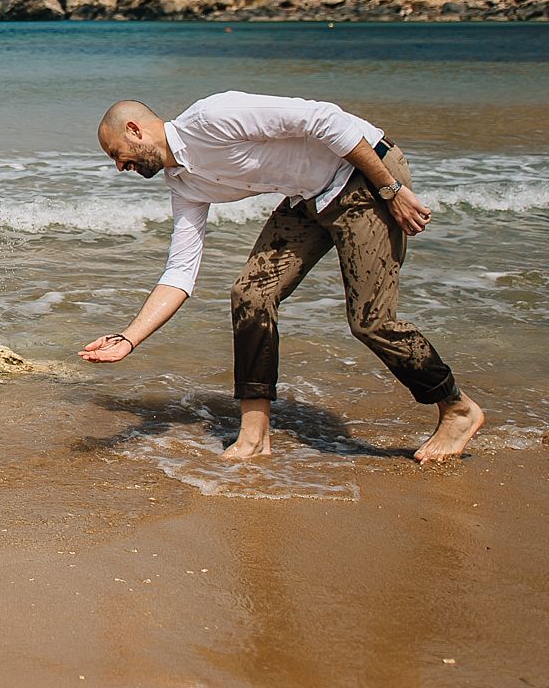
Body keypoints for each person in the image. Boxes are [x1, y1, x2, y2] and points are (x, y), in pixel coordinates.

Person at [84, 92, 484, 464]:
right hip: (307, 196)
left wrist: (390, 188)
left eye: (118, 155)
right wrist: (129, 337)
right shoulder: (184, 183)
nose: (121, 167)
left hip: (363, 173)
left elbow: (323, 117)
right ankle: (255, 436)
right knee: (250, 295)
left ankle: (457, 408)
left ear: (135, 130)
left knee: (371, 321)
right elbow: (181, 271)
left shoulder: (212, 117)